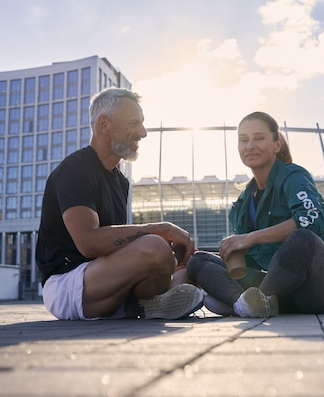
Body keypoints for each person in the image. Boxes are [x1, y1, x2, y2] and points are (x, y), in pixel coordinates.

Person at [36, 87, 203, 320]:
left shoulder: (120, 181)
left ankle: (143, 307)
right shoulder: (75, 170)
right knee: (155, 247)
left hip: (105, 277)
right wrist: (160, 230)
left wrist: (173, 255)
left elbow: (117, 242)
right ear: (104, 124)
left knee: (191, 265)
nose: (143, 133)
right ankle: (141, 305)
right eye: (134, 123)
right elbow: (89, 243)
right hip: (67, 283)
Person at [186, 111, 324, 317]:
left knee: (302, 239)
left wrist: (250, 237)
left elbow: (310, 221)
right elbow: (251, 264)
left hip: (318, 290)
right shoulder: (242, 204)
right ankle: (243, 303)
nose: (250, 146)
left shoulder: (293, 176)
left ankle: (241, 301)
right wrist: (230, 251)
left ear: (277, 145)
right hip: (280, 291)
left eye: (259, 138)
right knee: (199, 260)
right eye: (243, 140)